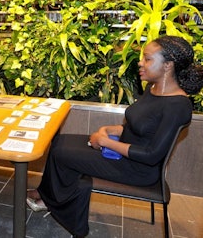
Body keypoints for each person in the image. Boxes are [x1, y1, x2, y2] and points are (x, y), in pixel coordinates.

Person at [26, 35, 203, 237]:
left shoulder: (178, 106)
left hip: (137, 169)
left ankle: (55, 204)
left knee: (61, 154)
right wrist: (109, 131)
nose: (140, 62)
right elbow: (139, 128)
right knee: (60, 141)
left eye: (147, 59)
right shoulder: (152, 88)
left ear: (167, 66)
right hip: (124, 153)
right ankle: (47, 194)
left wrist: (104, 142)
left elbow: (151, 154)